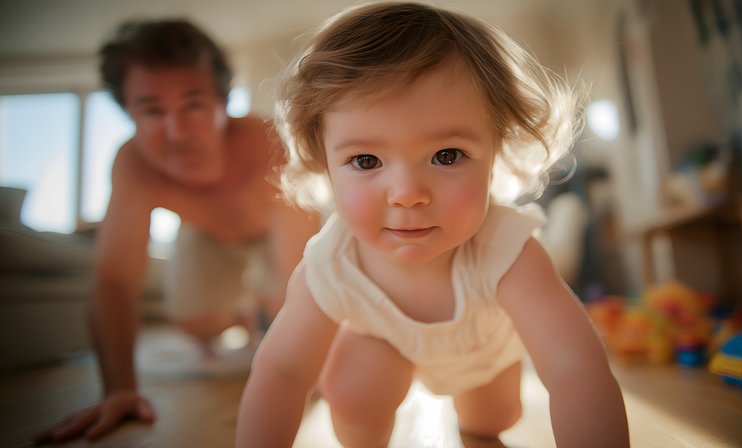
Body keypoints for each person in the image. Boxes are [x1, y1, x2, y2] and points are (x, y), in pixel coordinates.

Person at [236, 3, 629, 447]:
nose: (407, 193)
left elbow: (575, 368)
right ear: (324, 164)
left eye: (447, 155)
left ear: (495, 150)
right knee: (353, 395)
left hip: (482, 354)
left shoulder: (508, 250)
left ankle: (480, 415)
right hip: (380, 344)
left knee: (491, 421)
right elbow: (282, 372)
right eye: (366, 160)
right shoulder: (331, 263)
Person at [34, 19, 319, 443]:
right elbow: (114, 279)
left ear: (223, 103)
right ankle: (244, 310)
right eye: (151, 110)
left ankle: (256, 307)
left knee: (283, 305)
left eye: (194, 104)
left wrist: (304, 368)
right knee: (196, 324)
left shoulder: (265, 140)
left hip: (280, 228)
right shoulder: (133, 163)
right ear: (128, 113)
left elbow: (300, 271)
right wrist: (121, 390)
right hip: (206, 233)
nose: (177, 131)